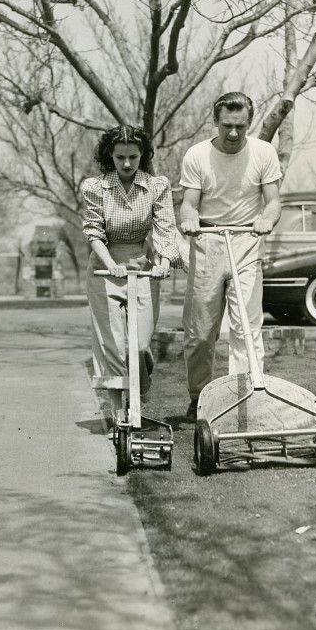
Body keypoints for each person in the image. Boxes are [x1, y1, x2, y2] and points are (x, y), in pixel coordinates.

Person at [178, 92, 282, 419]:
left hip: (247, 240)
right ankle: (199, 399)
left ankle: (244, 399)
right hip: (207, 242)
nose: (233, 133)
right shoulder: (197, 155)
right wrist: (190, 220)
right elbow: (188, 204)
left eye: (240, 126)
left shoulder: (264, 152)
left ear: (248, 123)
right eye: (227, 126)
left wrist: (266, 219)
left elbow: (273, 201)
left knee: (247, 329)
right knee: (199, 333)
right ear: (215, 122)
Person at [81, 125, 183, 423]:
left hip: (142, 265)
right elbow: (94, 231)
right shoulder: (94, 188)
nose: (127, 164)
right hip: (105, 268)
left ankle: (141, 369)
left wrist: (164, 261)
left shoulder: (156, 186)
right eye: (120, 157)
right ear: (109, 156)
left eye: (134, 157)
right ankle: (118, 415)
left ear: (143, 156)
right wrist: (109, 261)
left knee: (138, 344)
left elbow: (166, 228)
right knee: (111, 343)